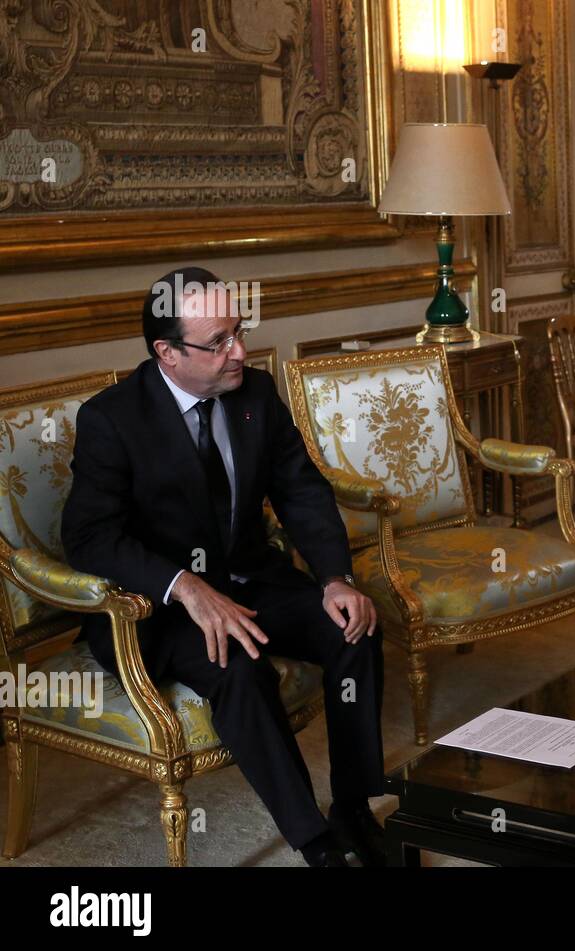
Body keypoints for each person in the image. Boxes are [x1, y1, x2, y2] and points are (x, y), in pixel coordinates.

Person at [62, 266, 387, 867]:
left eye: (239, 332)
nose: (239, 351)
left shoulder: (255, 393)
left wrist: (335, 579)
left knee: (354, 627)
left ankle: (354, 806)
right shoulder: (112, 419)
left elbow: (301, 491)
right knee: (240, 668)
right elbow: (88, 538)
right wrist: (183, 585)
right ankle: (316, 842)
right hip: (158, 609)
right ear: (167, 352)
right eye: (218, 342)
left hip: (250, 579)